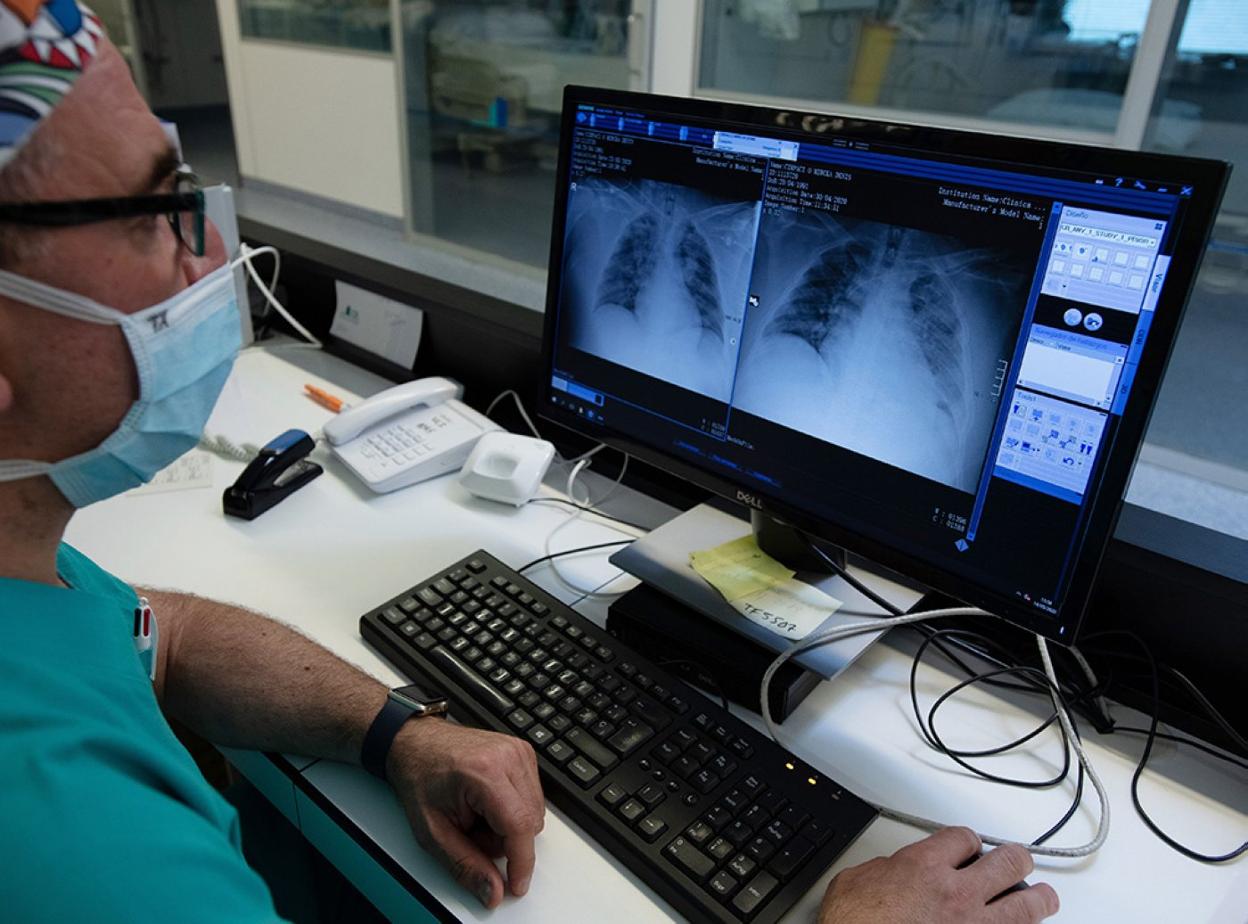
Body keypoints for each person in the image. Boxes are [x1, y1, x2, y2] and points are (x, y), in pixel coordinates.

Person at [0, 5, 1058, 922]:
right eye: (153, 211)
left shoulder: (28, 595)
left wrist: (397, 732)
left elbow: (159, 635)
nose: (209, 257)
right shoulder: (68, 845)